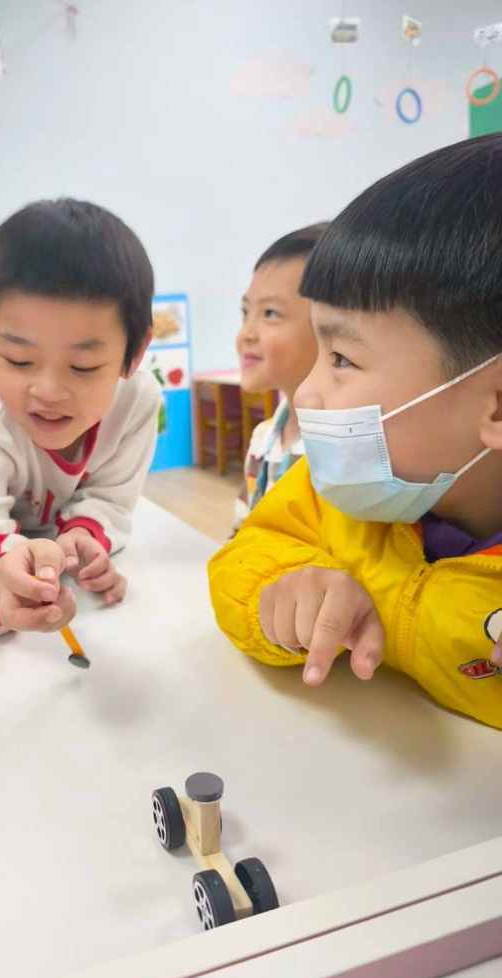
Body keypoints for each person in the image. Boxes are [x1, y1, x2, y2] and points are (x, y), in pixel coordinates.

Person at [209, 133, 502, 729]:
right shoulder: (337, 496)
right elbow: (247, 552)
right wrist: (281, 588)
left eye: (342, 358)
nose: (308, 392)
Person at [0, 198, 160, 636]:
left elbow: (111, 498)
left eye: (82, 366)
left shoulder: (137, 402)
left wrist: (83, 535)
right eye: (18, 360)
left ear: (134, 353)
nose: (48, 391)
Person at [232, 223, 327, 531]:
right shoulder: (263, 438)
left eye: (270, 313)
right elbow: (241, 533)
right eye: (245, 312)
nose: (246, 333)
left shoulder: (339, 455)